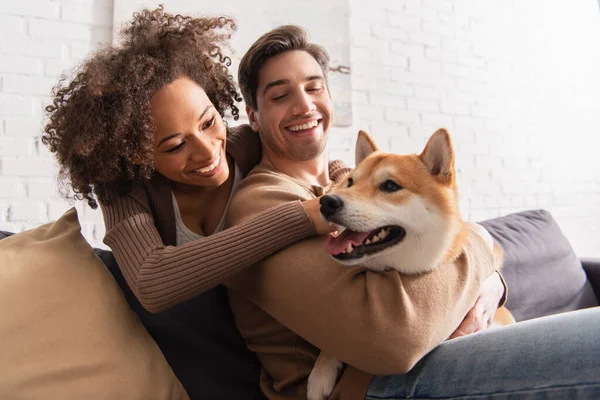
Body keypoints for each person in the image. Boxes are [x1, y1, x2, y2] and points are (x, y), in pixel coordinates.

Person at [224, 25, 600, 399]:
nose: (304, 105)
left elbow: (444, 232)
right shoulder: (264, 204)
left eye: (313, 87)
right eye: (280, 95)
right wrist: (482, 250)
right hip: (366, 387)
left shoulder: (349, 180)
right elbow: (395, 338)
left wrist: (494, 284)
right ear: (254, 116)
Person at [41, 7, 343, 400]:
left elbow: (322, 166)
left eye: (208, 121)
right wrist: (300, 218)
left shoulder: (247, 146)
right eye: (175, 145)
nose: (206, 153)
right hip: (199, 356)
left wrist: (342, 183)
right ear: (136, 155)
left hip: (273, 348)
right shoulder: (124, 189)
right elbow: (152, 282)